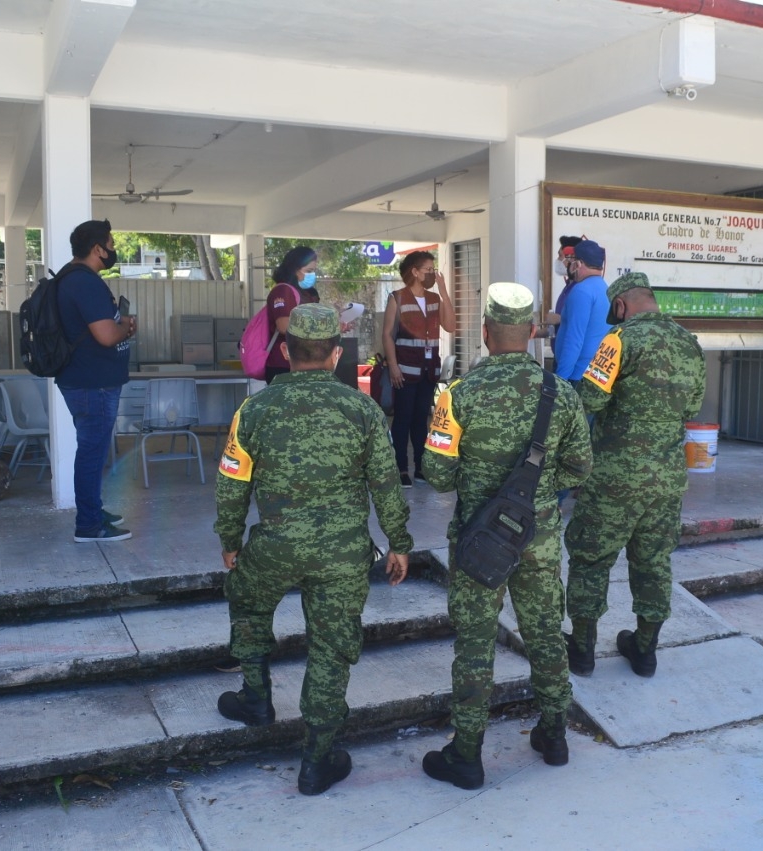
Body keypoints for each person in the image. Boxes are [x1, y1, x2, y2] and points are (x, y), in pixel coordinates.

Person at [213, 304, 413, 796]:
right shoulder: (362, 409)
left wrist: (230, 541)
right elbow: (387, 484)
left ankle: (256, 698)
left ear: (284, 351)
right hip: (344, 554)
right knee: (330, 648)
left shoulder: (253, 410)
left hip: (274, 546)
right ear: (336, 355)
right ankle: (317, 760)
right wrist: (399, 544)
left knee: (248, 600)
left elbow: (231, 484)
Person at [419, 282, 592, 789]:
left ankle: (467, 755)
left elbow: (435, 473)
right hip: (537, 538)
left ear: (486, 333)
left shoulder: (459, 395)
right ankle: (554, 734)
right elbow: (580, 467)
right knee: (544, 635)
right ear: (534, 332)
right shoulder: (560, 393)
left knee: (475, 644)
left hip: (479, 542)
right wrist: (539, 498)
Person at [564, 272, 706, 678]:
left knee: (591, 561)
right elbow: (692, 407)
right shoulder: (690, 344)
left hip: (613, 479)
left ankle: (583, 649)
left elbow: (590, 397)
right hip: (665, 481)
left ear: (622, 305)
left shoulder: (619, 340)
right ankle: (645, 651)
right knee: (653, 563)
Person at [55, 219, 135, 543]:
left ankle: (92, 511)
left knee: (92, 450)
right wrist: (127, 327)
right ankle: (88, 525)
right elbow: (105, 335)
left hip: (85, 380)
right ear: (97, 249)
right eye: (111, 245)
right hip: (93, 383)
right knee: (92, 452)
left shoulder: (69, 278)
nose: (114, 250)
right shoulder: (84, 283)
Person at [382, 250, 456, 487]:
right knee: (403, 418)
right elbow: (387, 335)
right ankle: (402, 467)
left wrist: (443, 291)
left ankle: (421, 467)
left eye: (433, 270)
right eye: (428, 270)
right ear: (414, 272)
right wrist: (393, 366)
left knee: (422, 419)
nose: (432, 274)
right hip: (405, 370)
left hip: (429, 370)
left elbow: (450, 326)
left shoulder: (435, 299)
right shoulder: (397, 297)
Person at [551, 238, 611, 384]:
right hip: (595, 373)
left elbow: (574, 339)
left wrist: (561, 381)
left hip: (576, 375)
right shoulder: (605, 288)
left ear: (578, 264)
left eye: (572, 261)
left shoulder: (582, 291)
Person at [263, 246, 322, 383]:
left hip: (306, 361)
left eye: (314, 271)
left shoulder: (308, 294)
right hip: (283, 365)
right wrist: (320, 325)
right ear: (294, 270)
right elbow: (284, 326)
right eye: (309, 271)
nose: (312, 275)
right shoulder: (283, 291)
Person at [536, 235, 583, 340]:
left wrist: (560, 319)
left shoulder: (580, 289)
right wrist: (534, 332)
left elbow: (582, 321)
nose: (558, 260)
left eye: (560, 255)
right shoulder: (568, 287)